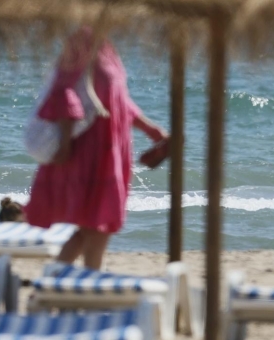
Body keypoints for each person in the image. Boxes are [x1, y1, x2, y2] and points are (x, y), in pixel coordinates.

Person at [23, 26, 168, 270]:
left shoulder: (106, 49)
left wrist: (153, 131)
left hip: (110, 148)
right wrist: (66, 143)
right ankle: (87, 285)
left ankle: (51, 283)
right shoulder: (82, 43)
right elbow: (63, 91)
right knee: (97, 228)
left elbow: (119, 100)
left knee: (89, 229)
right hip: (88, 149)